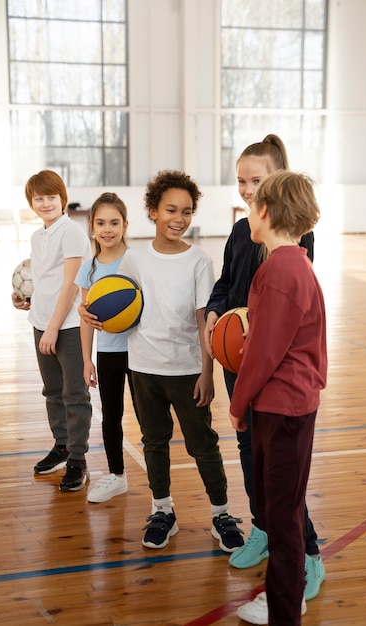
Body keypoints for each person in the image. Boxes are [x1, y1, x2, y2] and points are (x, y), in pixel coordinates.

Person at [204, 135, 325, 613]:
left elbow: (271, 342)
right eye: (242, 183)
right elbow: (229, 287)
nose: (247, 195)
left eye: (257, 185)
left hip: (274, 390)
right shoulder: (253, 242)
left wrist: (236, 403)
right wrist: (220, 314)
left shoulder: (287, 263)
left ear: (273, 203)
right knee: (266, 483)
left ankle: (290, 589)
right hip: (258, 383)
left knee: (285, 498)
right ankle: (264, 530)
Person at [116, 170, 244, 551]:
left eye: (187, 211)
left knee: (202, 444)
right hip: (143, 367)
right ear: (153, 211)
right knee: (154, 442)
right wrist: (94, 314)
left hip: (187, 370)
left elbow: (205, 321)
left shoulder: (199, 261)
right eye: (171, 209)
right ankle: (162, 510)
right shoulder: (135, 259)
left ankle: (221, 513)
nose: (179, 218)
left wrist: (208, 373)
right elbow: (118, 305)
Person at [12, 170, 92, 492]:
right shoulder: (38, 236)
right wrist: (26, 299)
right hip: (41, 322)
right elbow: (45, 278)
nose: (45, 203)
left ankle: (78, 459)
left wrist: (53, 328)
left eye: (51, 197)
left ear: (63, 198)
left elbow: (71, 286)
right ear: (31, 202)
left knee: (74, 394)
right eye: (39, 198)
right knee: (52, 390)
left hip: (68, 326)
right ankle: (61, 446)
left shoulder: (71, 232)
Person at [75, 192, 136, 503]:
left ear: (125, 224)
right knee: (111, 415)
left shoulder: (136, 261)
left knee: (148, 417)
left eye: (114, 222)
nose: (107, 229)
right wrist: (87, 360)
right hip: (108, 352)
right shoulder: (89, 268)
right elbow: (86, 318)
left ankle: (160, 488)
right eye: (101, 223)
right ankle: (117, 476)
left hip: (140, 350)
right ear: (92, 227)